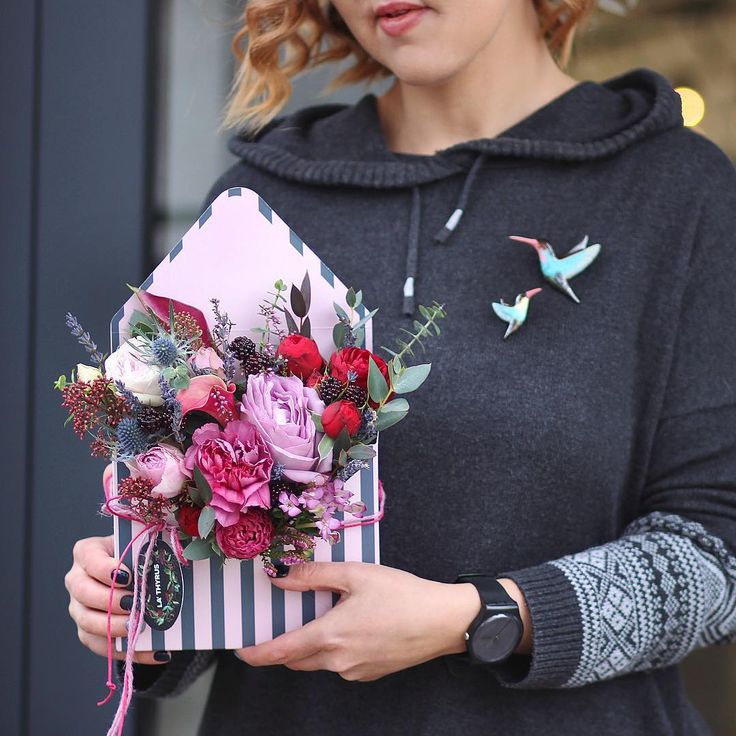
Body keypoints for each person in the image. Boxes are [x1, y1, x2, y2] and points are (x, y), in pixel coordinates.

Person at [65, 1, 736, 734]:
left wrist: (477, 617)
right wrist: (138, 603)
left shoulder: (677, 191)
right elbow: (212, 535)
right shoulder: (262, 201)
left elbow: (718, 555)